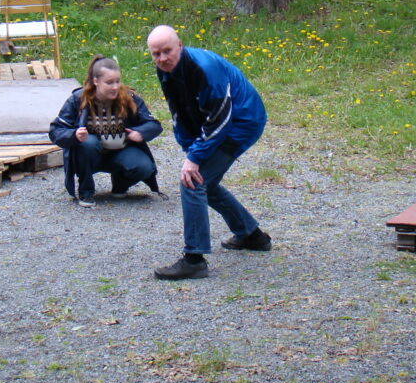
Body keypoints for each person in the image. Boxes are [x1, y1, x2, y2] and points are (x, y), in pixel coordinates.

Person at [146, 25, 271, 280]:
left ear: (180, 45)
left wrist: (195, 158)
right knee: (205, 181)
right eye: (156, 54)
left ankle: (194, 259)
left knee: (192, 182)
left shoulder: (205, 69)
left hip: (242, 122)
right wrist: (190, 149)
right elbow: (179, 110)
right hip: (221, 123)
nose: (162, 58)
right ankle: (252, 235)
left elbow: (221, 119)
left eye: (167, 51)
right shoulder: (166, 69)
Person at [49, 55, 162, 207]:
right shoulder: (78, 99)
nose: (115, 87)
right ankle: (86, 190)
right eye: (109, 82)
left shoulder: (130, 98)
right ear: (96, 81)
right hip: (91, 155)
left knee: (144, 167)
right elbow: (56, 130)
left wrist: (141, 132)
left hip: (121, 151)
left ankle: (120, 184)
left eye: (117, 81)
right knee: (87, 143)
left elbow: (154, 124)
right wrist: (74, 135)